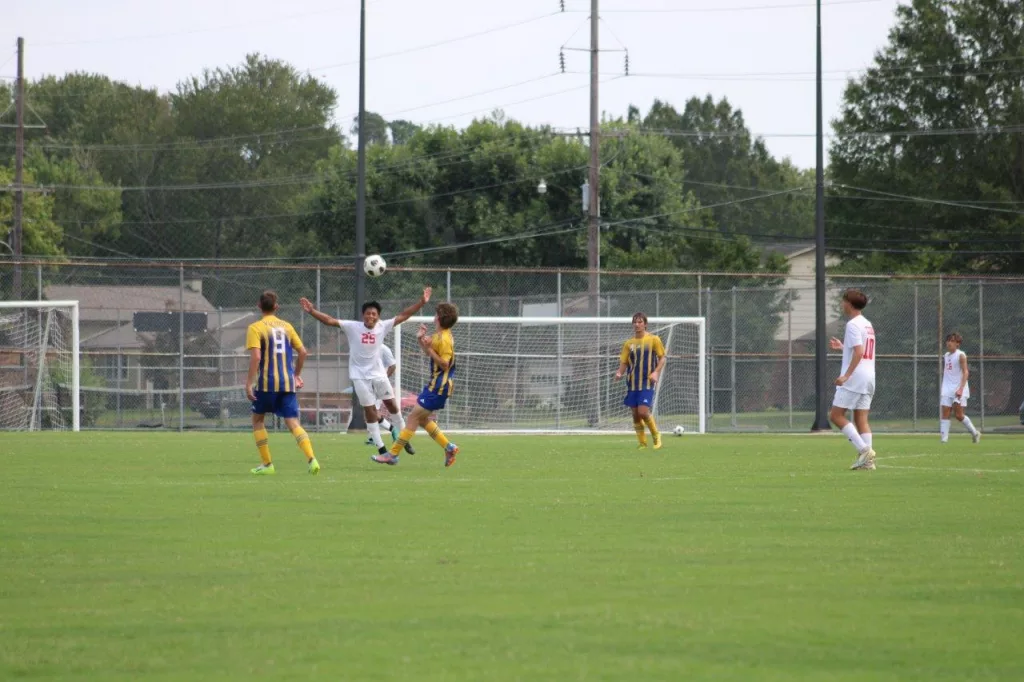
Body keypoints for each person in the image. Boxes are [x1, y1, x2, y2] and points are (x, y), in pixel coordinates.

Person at [299, 288, 431, 458]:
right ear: (363, 315)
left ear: (378, 316)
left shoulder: (383, 326)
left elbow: (404, 315)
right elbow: (330, 321)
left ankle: (404, 439)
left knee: (392, 406)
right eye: (368, 313)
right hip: (359, 376)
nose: (371, 316)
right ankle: (382, 449)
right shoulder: (353, 327)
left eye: (374, 314)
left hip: (379, 375)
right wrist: (312, 311)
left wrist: (421, 302)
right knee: (370, 411)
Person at [374, 302, 460, 468]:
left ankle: (392, 454)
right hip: (434, 385)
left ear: (440, 318)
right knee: (422, 419)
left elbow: (445, 364)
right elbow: (429, 352)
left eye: (436, 314)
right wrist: (421, 339)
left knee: (412, 418)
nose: (434, 316)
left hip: (439, 387)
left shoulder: (444, 339)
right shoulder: (439, 335)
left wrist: (430, 349)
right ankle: (449, 447)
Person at [245, 290, 320, 476]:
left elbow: (256, 357)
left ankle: (267, 464)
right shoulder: (287, 326)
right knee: (293, 422)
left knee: (258, 420)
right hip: (287, 383)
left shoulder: (255, 328)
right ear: (276, 307)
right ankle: (312, 459)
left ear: (259, 306)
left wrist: (248, 383)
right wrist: (296, 375)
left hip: (266, 383)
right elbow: (303, 352)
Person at [829, 289, 877, 471]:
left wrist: (846, 376)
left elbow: (859, 352)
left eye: (844, 301)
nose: (842, 304)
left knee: (836, 415)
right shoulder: (867, 324)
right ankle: (868, 463)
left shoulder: (852, 324)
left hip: (856, 377)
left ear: (849, 304)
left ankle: (864, 451)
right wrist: (844, 347)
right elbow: (861, 350)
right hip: (869, 376)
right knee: (861, 418)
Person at [614, 312, 666, 450]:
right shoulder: (629, 344)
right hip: (632, 383)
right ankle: (642, 443)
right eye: (635, 322)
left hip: (647, 382)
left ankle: (656, 435)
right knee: (636, 415)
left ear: (645, 324)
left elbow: (662, 358)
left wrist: (656, 372)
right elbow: (624, 362)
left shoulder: (654, 339)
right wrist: (619, 373)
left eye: (640, 322)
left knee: (643, 412)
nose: (637, 325)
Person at [364, 344, 416, 455]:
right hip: (368, 385)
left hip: (381, 383)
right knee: (372, 413)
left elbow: (393, 366)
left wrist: (384, 378)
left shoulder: (383, 348)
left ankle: (404, 439)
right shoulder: (362, 348)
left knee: (392, 407)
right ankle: (384, 440)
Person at [940, 332, 981, 444]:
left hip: (959, 388)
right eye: (948, 340)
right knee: (945, 413)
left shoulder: (961, 355)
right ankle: (944, 440)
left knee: (958, 415)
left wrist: (961, 389)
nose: (949, 343)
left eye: (952, 341)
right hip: (947, 388)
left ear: (958, 344)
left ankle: (975, 433)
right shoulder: (946, 355)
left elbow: (965, 372)